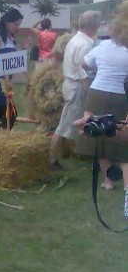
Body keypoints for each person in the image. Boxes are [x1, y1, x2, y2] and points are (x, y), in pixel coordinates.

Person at [74, 15, 128, 191]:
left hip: (98, 92)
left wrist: (99, 68)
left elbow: (83, 63)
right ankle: (126, 182)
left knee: (100, 135)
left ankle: (108, 180)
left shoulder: (102, 46)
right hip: (123, 95)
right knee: (122, 135)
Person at [49, 11, 100, 168]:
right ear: (93, 26)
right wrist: (90, 92)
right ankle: (50, 159)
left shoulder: (76, 39)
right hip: (77, 85)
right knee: (65, 125)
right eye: (98, 24)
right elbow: (83, 71)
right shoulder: (84, 44)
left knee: (73, 122)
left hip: (71, 83)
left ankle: (87, 154)